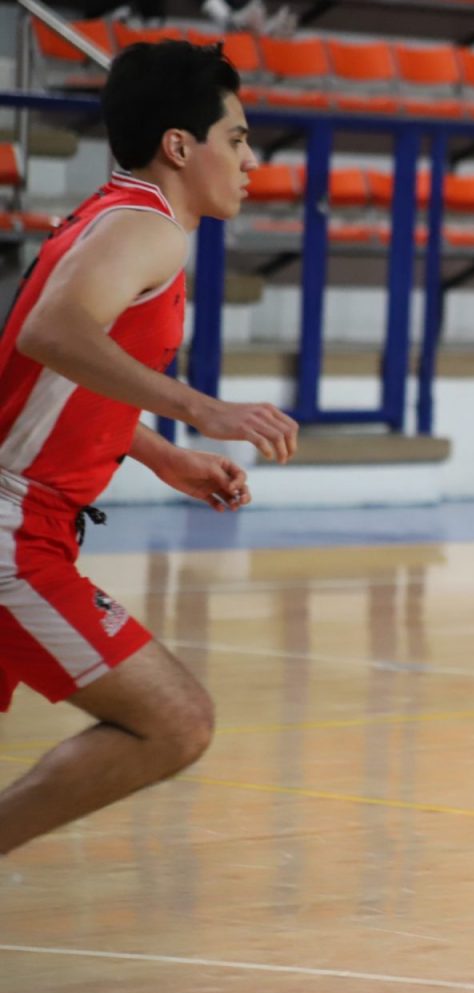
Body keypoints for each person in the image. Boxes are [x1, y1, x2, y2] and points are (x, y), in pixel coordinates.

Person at [0, 41, 299, 857]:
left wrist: (160, 454)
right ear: (179, 145)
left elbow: (52, 373)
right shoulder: (148, 229)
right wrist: (200, 409)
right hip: (14, 531)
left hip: (32, 519)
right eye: (236, 139)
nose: (250, 160)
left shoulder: (115, 215)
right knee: (175, 721)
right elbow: (50, 332)